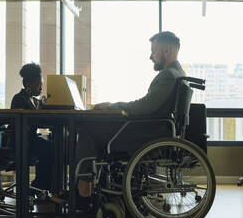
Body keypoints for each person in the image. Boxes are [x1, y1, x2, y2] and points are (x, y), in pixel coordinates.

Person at [73, 31, 186, 209]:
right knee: (96, 128)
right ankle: (89, 187)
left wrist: (112, 106)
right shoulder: (178, 74)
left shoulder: (168, 75)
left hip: (146, 133)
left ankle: (83, 190)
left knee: (87, 129)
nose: (151, 56)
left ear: (167, 51)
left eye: (154, 51)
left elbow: (144, 107)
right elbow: (148, 107)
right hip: (153, 130)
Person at [11, 62, 54, 191]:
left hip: (29, 139)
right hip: (19, 141)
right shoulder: (19, 99)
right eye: (38, 85)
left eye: (41, 85)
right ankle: (40, 186)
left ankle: (44, 185)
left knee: (51, 146)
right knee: (50, 149)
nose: (41, 88)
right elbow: (33, 120)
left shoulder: (33, 100)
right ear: (28, 84)